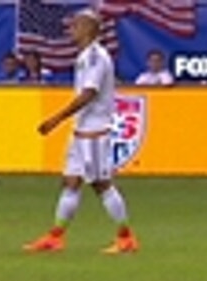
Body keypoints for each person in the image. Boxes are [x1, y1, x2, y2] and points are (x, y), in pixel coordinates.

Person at [25, 9, 138, 255]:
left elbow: (89, 93)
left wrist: (57, 118)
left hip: (94, 131)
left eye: (76, 25)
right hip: (81, 130)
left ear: (89, 28)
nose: (71, 30)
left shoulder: (96, 57)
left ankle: (126, 237)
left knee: (101, 185)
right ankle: (55, 236)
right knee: (71, 182)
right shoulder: (86, 56)